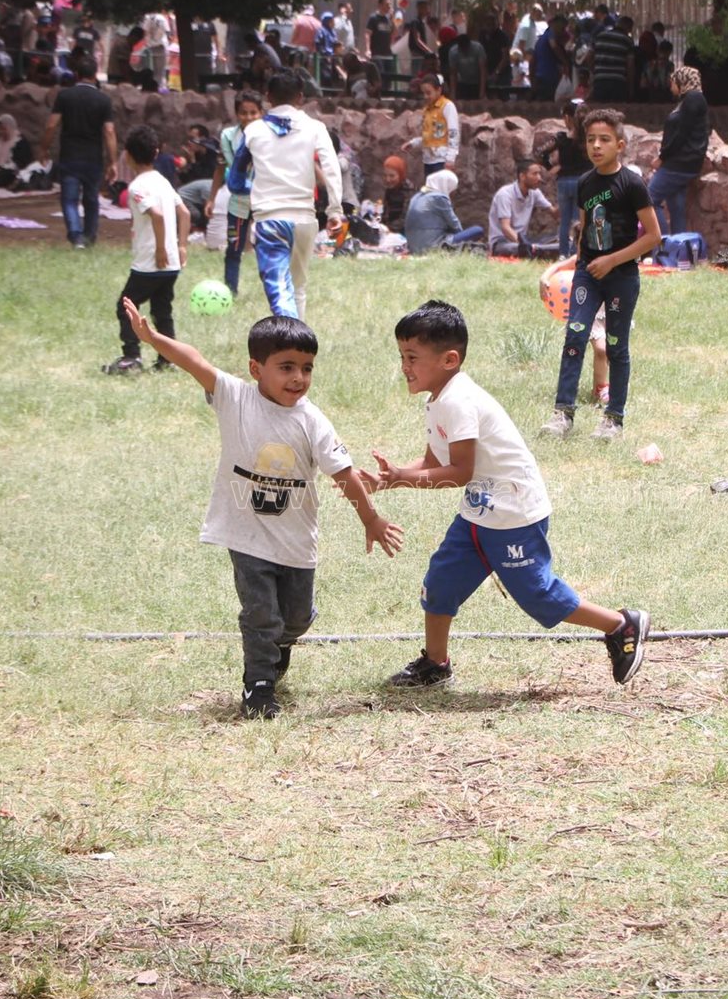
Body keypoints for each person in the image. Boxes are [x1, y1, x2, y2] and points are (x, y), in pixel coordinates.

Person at [123, 305, 401, 719]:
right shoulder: (234, 398)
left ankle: (282, 645)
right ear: (256, 368)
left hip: (295, 541)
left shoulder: (313, 421)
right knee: (260, 615)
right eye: (286, 367)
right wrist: (153, 340)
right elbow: (194, 361)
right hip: (246, 536)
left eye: (307, 368)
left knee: (295, 618)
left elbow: (343, 474)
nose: (298, 378)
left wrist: (371, 519)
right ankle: (258, 686)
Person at [363, 300, 650, 690]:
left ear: (449, 359)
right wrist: (392, 477)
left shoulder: (459, 401)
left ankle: (620, 624)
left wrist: (402, 478)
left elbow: (459, 473)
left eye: (412, 357)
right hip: (480, 513)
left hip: (514, 514)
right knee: (440, 584)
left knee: (539, 596)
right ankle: (435, 663)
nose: (404, 366)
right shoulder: (438, 400)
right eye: (401, 356)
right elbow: (434, 460)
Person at [539, 109, 660, 441]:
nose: (596, 145)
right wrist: (558, 269)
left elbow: (652, 236)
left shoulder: (632, 184)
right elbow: (584, 235)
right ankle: (562, 413)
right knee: (575, 337)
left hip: (621, 277)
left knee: (615, 346)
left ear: (619, 144)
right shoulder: (584, 183)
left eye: (604, 139)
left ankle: (613, 419)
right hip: (587, 276)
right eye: (591, 139)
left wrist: (612, 260)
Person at [231, 71, 342, 320]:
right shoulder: (316, 128)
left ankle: (290, 342)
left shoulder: (253, 131)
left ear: (268, 97)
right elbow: (332, 169)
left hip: (269, 220)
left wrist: (259, 187)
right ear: (301, 97)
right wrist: (335, 210)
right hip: (305, 218)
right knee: (297, 288)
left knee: (279, 293)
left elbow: (235, 182)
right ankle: (299, 346)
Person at [99, 125, 188, 376]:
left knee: (125, 307)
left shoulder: (137, 187)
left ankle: (132, 357)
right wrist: (181, 246)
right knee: (162, 309)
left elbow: (157, 216)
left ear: (127, 155)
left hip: (150, 263)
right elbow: (185, 213)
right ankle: (168, 358)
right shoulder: (163, 181)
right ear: (157, 152)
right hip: (170, 265)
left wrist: (159, 249)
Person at [41, 55, 115, 249]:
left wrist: (44, 148)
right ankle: (90, 236)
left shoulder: (65, 96)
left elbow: (51, 125)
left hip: (70, 156)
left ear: (76, 74)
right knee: (91, 199)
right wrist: (113, 161)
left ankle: (75, 236)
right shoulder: (103, 99)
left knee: (69, 199)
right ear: (95, 74)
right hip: (93, 158)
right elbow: (109, 131)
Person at [209, 89, 263, 297]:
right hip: (238, 203)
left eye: (253, 112)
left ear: (261, 113)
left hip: (264, 203)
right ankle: (230, 291)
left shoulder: (269, 135)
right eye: (243, 112)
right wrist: (212, 198)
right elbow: (222, 166)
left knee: (266, 249)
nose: (248, 117)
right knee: (234, 248)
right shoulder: (228, 136)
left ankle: (273, 290)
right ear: (236, 113)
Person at [651, 66, 710, 238]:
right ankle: (678, 251)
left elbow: (682, 134)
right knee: (676, 207)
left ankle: (662, 241)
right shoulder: (688, 100)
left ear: (682, 82)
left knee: (648, 200)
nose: (671, 86)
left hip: (679, 163)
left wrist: (662, 157)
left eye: (673, 82)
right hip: (682, 162)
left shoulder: (693, 99)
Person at [540, 100, 588, 257]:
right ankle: (575, 253)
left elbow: (540, 153)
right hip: (582, 182)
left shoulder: (560, 138)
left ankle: (562, 254)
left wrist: (551, 167)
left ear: (567, 118)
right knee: (578, 220)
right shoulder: (588, 139)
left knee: (564, 221)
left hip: (563, 182)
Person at [487, 158, 556, 257]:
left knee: (560, 240)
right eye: (535, 174)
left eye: (539, 174)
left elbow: (554, 213)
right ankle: (533, 250)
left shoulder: (534, 192)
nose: (539, 178)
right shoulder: (505, 194)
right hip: (502, 242)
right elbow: (505, 228)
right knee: (529, 249)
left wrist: (567, 199)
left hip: (522, 240)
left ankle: (535, 249)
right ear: (522, 176)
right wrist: (524, 245)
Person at [404, 169, 482, 252]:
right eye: (452, 190)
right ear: (447, 186)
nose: (453, 194)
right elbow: (455, 226)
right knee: (477, 230)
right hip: (432, 247)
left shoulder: (416, 197)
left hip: (413, 248)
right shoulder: (439, 198)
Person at [407, 74, 459, 176]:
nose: (425, 96)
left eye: (428, 93)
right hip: (428, 160)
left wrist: (450, 159)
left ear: (439, 90)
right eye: (423, 93)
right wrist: (413, 143)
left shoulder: (447, 106)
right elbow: (428, 135)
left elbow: (453, 133)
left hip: (441, 160)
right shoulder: (427, 109)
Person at [590, 15, 635, 103]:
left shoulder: (599, 36)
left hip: (600, 81)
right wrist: (631, 89)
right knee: (616, 112)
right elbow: (630, 66)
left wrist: (595, 71)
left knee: (600, 112)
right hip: (618, 82)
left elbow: (588, 56)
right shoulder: (627, 40)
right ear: (629, 28)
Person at [448, 25, 487, 102]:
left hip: (477, 81)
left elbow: (483, 70)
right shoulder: (453, 52)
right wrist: (453, 93)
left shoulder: (478, 48)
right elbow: (453, 73)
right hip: (463, 82)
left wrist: (482, 91)